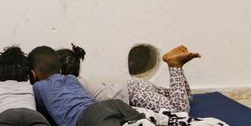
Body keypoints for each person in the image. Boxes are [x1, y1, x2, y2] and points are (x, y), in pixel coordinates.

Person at [29, 45, 214, 126]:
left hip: (88, 118)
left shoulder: (38, 88)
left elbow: (37, 111)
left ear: (33, 74)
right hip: (112, 104)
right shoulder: (71, 78)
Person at [58, 43, 200, 113]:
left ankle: (174, 65)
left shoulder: (71, 86)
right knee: (186, 98)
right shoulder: (78, 81)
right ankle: (176, 63)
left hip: (134, 95)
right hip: (134, 86)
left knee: (179, 110)